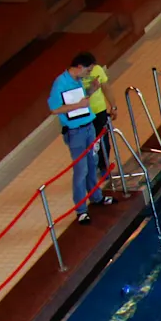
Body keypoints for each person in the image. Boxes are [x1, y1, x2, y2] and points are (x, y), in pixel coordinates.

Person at [46, 55, 113, 224]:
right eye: (88, 70)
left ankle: (96, 197)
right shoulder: (60, 83)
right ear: (79, 66)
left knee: (92, 163)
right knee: (81, 170)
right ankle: (81, 210)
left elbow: (81, 98)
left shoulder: (78, 80)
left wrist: (92, 89)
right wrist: (77, 106)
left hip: (88, 126)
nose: (89, 73)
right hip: (75, 132)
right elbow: (54, 109)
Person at [73, 51, 113, 188]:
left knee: (104, 140)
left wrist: (113, 105)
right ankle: (91, 167)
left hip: (99, 110)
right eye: (88, 69)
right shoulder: (74, 76)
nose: (90, 71)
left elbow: (106, 88)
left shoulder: (98, 70)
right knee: (87, 143)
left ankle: (104, 166)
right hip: (83, 113)